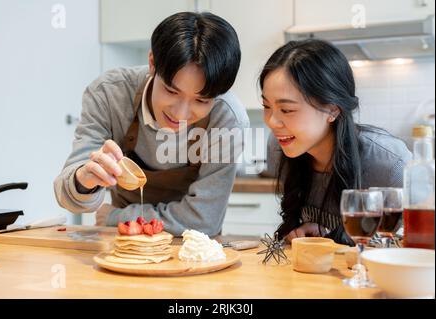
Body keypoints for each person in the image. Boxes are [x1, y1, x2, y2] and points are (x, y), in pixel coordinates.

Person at [54, 12, 249, 237]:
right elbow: (65, 195)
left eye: (201, 100)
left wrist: (116, 216)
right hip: (124, 242)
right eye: (171, 91)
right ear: (152, 63)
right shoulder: (109, 94)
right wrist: (83, 181)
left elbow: (204, 220)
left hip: (192, 249)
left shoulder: (227, 119)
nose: (181, 114)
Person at [261, 39, 412, 245]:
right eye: (266, 106)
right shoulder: (280, 148)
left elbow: (420, 243)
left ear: (332, 109)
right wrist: (325, 234)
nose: (272, 121)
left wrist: (340, 238)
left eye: (286, 110)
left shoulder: (389, 164)